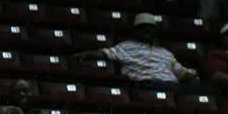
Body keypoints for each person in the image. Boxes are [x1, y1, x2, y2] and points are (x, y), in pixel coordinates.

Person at [74, 13, 204, 93]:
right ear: (136, 31)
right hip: (148, 85)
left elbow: (181, 72)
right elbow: (103, 53)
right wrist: (85, 54)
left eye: (150, 28)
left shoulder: (165, 52)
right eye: (143, 28)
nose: (147, 31)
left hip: (172, 86)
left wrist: (194, 74)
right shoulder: (127, 46)